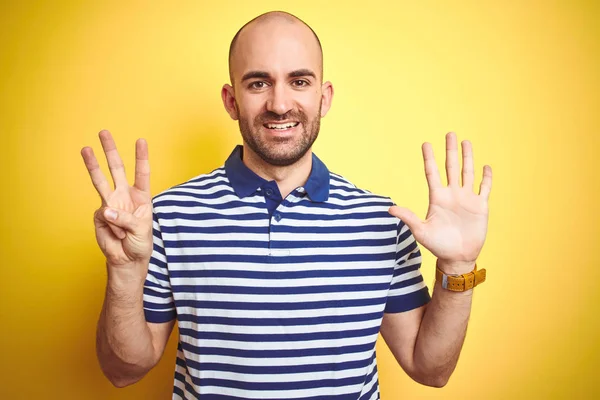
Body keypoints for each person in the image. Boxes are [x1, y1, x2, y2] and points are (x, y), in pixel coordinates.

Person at [81, 10, 493, 400]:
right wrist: (123, 271)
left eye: (299, 81)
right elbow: (123, 371)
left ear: (324, 97)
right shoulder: (165, 217)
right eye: (258, 83)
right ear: (230, 100)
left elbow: (430, 370)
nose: (279, 104)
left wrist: (457, 268)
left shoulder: (382, 222)